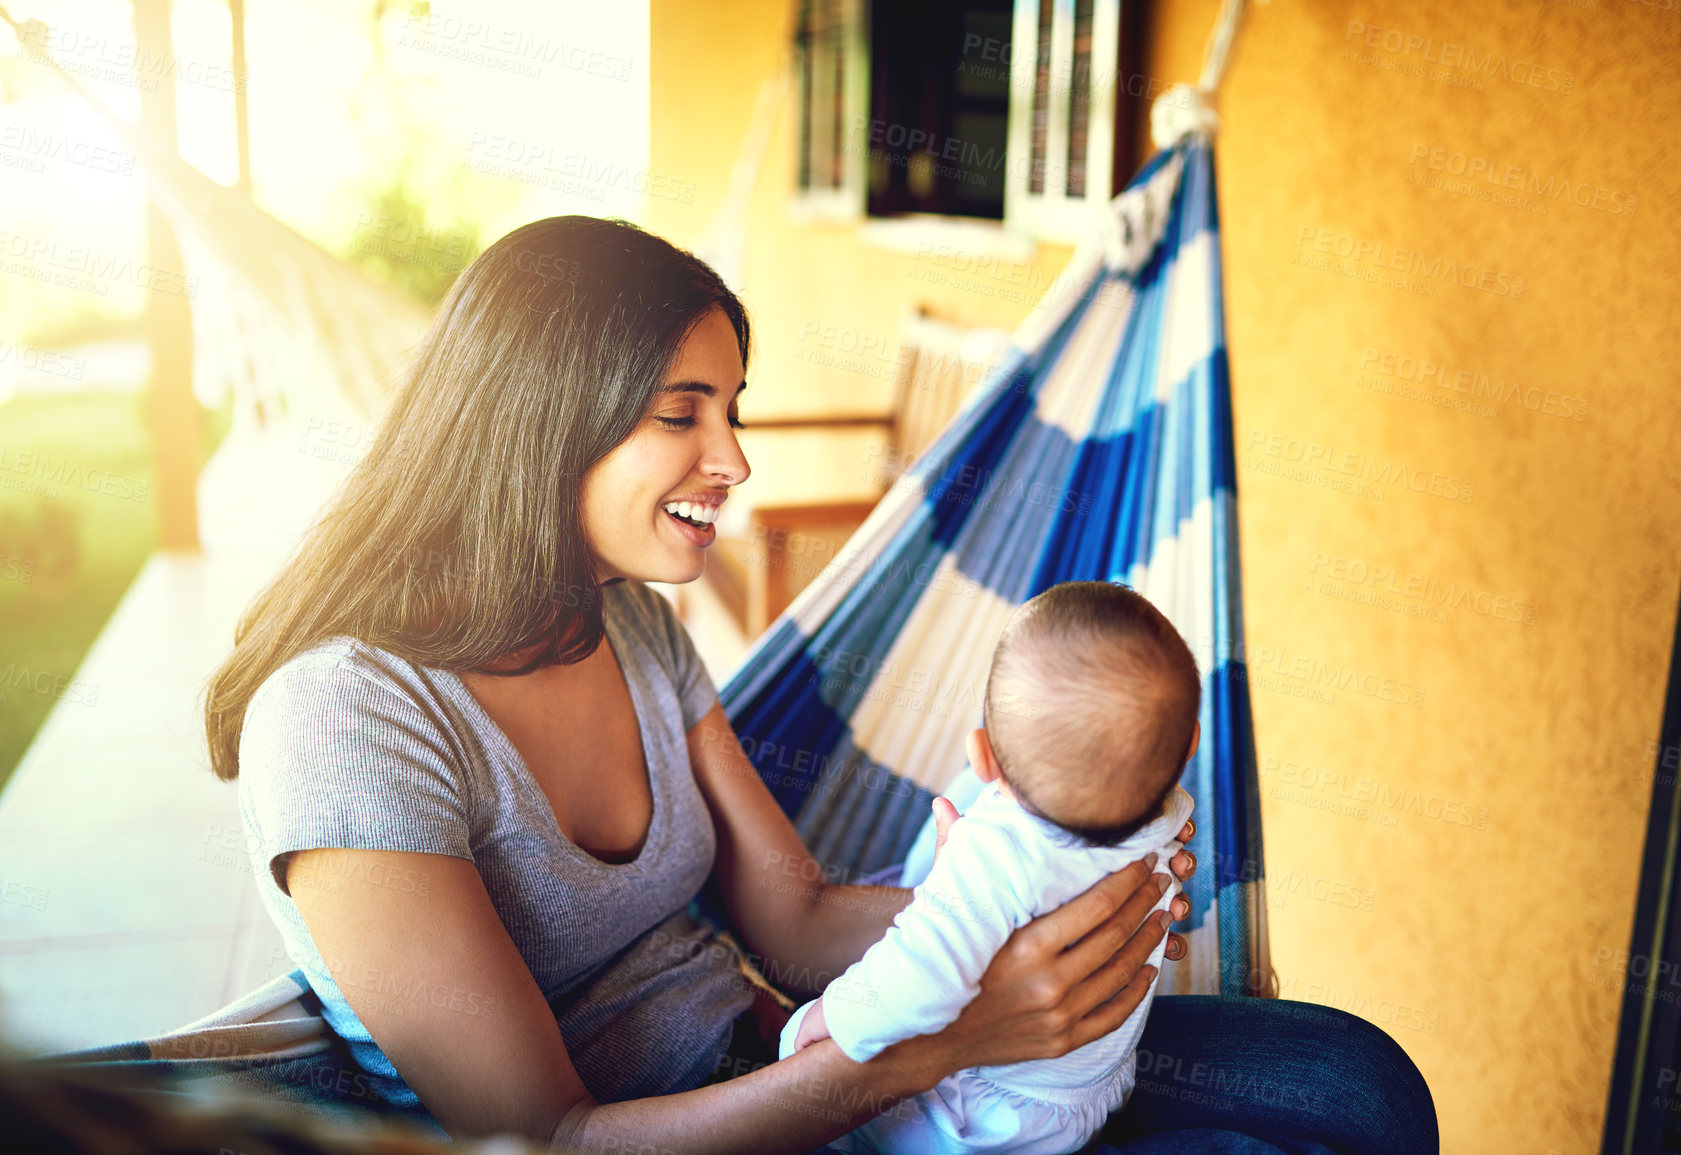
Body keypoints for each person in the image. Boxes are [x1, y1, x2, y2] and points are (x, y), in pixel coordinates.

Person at [202, 216, 1437, 1155]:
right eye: (683, 415)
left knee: (1356, 1081)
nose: (732, 460)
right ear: (539, 420)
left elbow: (791, 920)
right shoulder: (346, 720)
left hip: (813, 1052)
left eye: (732, 410)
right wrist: (951, 1039)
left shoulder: (628, 627)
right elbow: (551, 1139)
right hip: (761, 1110)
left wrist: (1043, 897)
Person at [780, 582, 1199, 1155]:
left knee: (803, 1054)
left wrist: (834, 1014)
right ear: (1193, 743)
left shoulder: (997, 848)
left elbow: (921, 980)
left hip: (977, 1119)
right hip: (1093, 1086)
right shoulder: (1172, 813)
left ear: (982, 755)